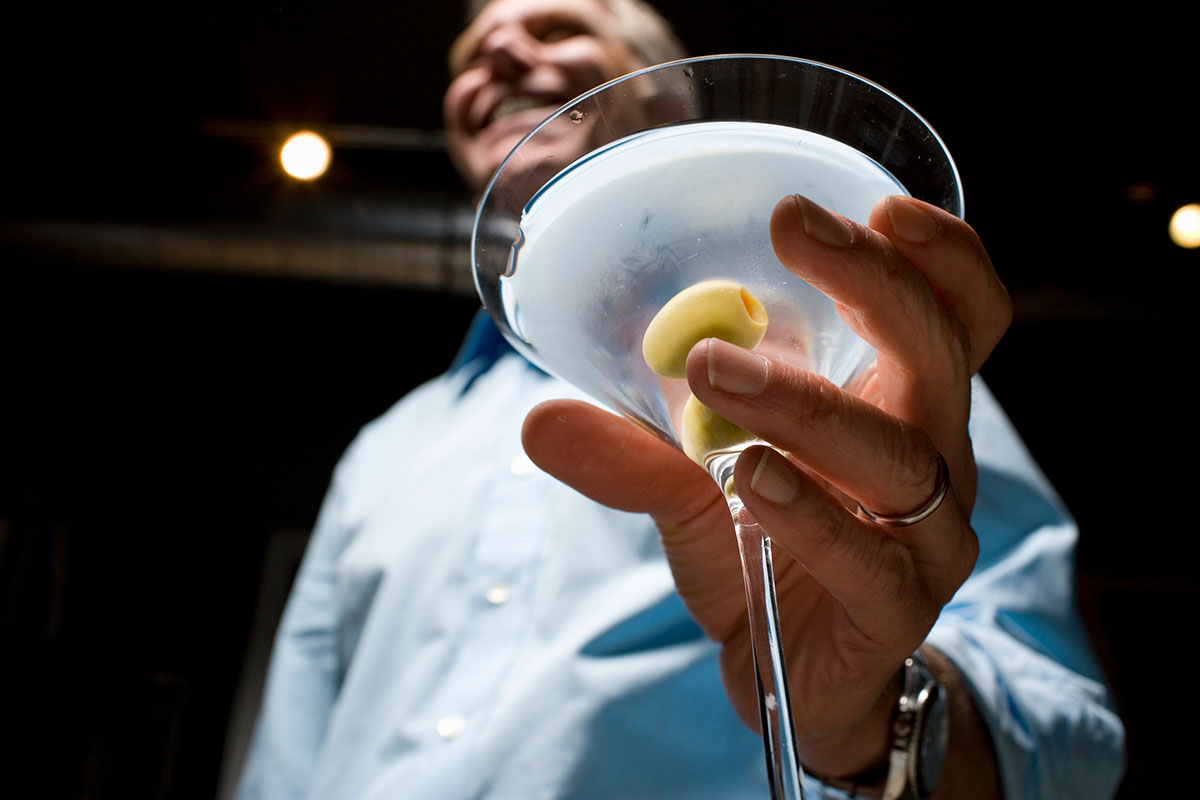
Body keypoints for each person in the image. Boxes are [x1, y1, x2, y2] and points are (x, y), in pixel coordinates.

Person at [235, 1, 1125, 797]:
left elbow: (1065, 739)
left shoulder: (859, 351)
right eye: (469, 51)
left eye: (558, 27)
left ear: (671, 100)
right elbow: (292, 746)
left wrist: (868, 730)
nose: (496, 49)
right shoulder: (385, 446)